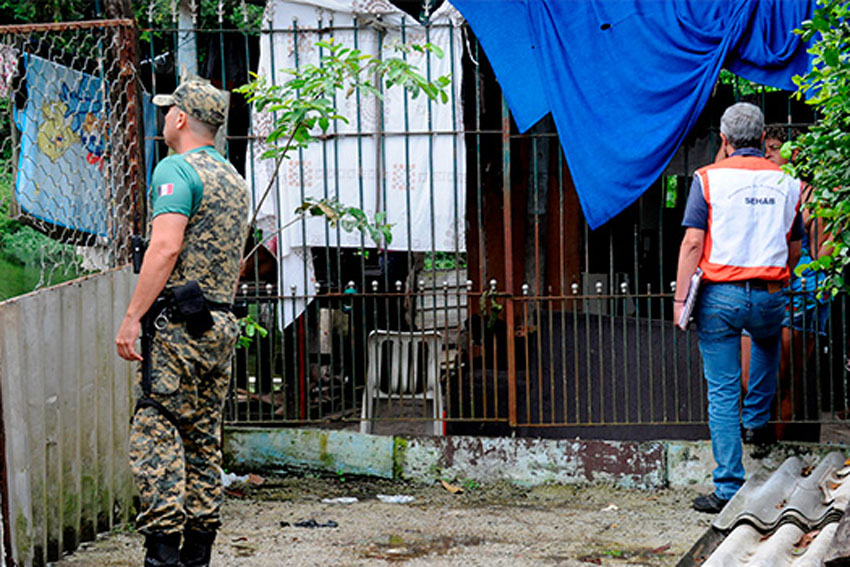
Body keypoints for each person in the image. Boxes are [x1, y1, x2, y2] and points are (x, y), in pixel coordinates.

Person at [115, 80, 249, 566]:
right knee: (201, 439)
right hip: (218, 326)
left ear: (179, 119)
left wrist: (133, 317)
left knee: (157, 433)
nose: (165, 117)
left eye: (169, 110)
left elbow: (166, 247)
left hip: (176, 328)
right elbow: (232, 263)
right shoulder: (235, 180)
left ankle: (163, 557)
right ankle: (197, 557)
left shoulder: (175, 169)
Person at [673, 102, 804, 514]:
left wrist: (680, 300)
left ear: (725, 141)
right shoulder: (787, 180)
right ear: (764, 139)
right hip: (769, 293)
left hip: (720, 297)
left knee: (722, 388)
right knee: (767, 341)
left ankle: (728, 486)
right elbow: (795, 245)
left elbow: (693, 242)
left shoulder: (707, 179)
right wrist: (776, 276)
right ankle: (757, 418)